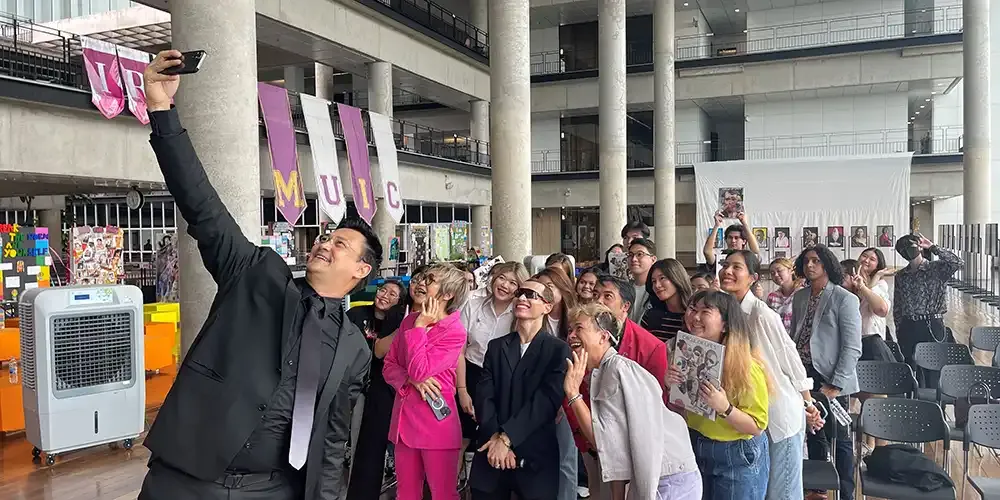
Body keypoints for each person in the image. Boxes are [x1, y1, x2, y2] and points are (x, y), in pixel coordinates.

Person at [137, 52, 380, 500]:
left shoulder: (353, 349)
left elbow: (331, 442)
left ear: (361, 270)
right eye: (326, 237)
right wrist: (161, 110)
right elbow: (202, 206)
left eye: (340, 244)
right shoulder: (255, 274)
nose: (325, 244)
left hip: (272, 489)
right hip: (187, 482)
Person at [563, 303, 701, 500]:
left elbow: (605, 439)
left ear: (603, 336)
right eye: (570, 330)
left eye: (579, 328)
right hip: (661, 477)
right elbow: (613, 449)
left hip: (668, 478)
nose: (571, 335)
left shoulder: (620, 369)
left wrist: (573, 394)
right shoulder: (601, 372)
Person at [720, 251, 820, 500]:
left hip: (778, 413)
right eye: (725, 265)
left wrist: (808, 403)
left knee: (782, 492)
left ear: (753, 277)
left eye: (736, 267)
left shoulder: (761, 314)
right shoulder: (727, 312)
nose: (727, 271)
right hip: (752, 413)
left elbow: (790, 358)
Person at [470, 280, 571, 500]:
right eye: (519, 293)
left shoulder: (558, 350)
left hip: (535, 456)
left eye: (530, 295)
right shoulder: (497, 346)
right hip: (491, 449)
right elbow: (484, 395)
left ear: (547, 306)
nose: (522, 298)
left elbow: (545, 402)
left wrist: (507, 439)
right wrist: (496, 438)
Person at [571, 275, 670, 499]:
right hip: (589, 435)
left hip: (636, 451)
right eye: (595, 295)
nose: (599, 301)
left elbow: (651, 414)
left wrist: (573, 395)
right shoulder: (582, 341)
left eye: (607, 296)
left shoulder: (649, 348)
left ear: (625, 306)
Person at [667, 290, 771, 500]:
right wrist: (671, 387)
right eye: (692, 309)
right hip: (696, 443)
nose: (695, 317)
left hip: (737, 453)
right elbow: (680, 410)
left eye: (705, 311)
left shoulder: (747, 367)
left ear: (725, 324)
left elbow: (757, 426)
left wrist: (725, 408)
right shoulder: (685, 356)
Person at [383, 264, 471, 500]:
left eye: (430, 280)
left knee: (443, 494)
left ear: (447, 294)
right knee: (406, 494)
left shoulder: (454, 331)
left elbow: (421, 370)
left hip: (436, 425)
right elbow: (389, 366)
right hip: (404, 423)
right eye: (422, 278)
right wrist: (409, 378)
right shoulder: (408, 321)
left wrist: (420, 327)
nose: (421, 283)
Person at [792, 245, 863, 500]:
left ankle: (846, 493)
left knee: (840, 438)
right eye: (806, 261)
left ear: (827, 265)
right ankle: (818, 490)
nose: (810, 265)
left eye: (816, 261)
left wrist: (836, 384)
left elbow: (852, 347)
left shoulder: (844, 298)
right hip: (804, 375)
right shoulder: (800, 297)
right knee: (813, 433)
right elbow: (796, 335)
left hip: (831, 376)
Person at [457, 262, 529, 475]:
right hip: (470, 372)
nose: (505, 285)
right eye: (502, 278)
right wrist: (462, 390)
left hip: (502, 379)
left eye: (513, 282)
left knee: (493, 436)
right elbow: (459, 350)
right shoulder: (473, 304)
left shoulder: (520, 313)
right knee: (460, 439)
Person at [346, 280, 406, 500]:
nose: (385, 296)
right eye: (383, 290)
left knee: (376, 444)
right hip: (354, 385)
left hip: (383, 390)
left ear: (399, 302)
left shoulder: (398, 322)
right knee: (354, 440)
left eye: (392, 294)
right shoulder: (356, 314)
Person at [892, 233, 962, 385]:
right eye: (901, 249)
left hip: (932, 323)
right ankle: (914, 398)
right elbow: (898, 305)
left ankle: (935, 399)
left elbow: (957, 262)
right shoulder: (901, 275)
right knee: (910, 367)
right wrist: (899, 328)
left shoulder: (935, 268)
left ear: (919, 247)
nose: (906, 251)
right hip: (908, 325)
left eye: (909, 246)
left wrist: (933, 247)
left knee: (934, 369)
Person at [640, 259, 693, 342]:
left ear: (677, 277)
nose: (657, 285)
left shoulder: (693, 315)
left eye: (662, 278)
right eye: (653, 281)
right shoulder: (650, 316)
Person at [702, 211, 761, 275]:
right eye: (730, 237)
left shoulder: (748, 258)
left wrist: (744, 223)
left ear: (744, 241)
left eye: (736, 238)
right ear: (726, 240)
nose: (733, 241)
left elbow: (755, 251)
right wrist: (716, 225)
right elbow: (707, 252)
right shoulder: (720, 258)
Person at [765, 257, 801, 335]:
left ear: (791, 270)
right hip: (778, 339)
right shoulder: (772, 297)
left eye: (779, 271)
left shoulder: (802, 293)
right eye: (772, 273)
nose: (776, 275)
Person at [627, 238, 657, 322]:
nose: (634, 259)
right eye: (630, 255)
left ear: (653, 259)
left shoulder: (658, 289)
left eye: (640, 254)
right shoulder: (624, 288)